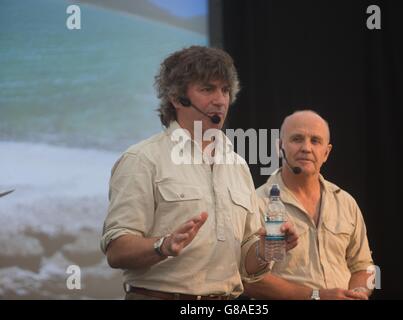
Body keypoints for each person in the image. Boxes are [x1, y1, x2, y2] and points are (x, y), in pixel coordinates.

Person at [100, 46, 298, 300]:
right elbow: (117, 251)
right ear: (177, 98)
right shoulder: (142, 159)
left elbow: (245, 263)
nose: (220, 100)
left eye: (225, 90)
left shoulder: (237, 166)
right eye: (207, 89)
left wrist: (267, 247)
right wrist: (163, 245)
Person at [243, 110, 375, 300]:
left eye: (315, 141)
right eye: (297, 139)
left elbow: (365, 266)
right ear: (280, 147)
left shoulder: (346, 202)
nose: (306, 148)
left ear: (326, 153)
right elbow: (250, 281)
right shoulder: (255, 203)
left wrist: (354, 295)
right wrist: (317, 296)